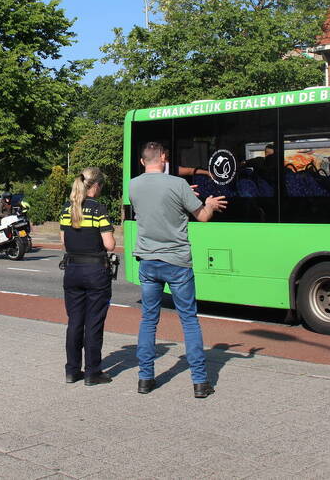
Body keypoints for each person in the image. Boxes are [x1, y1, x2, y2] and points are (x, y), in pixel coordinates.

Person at [129, 141, 227, 398]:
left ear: (142, 161)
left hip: (148, 261)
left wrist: (182, 196)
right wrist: (209, 203)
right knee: (189, 320)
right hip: (177, 262)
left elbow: (155, 207)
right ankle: (199, 382)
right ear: (163, 157)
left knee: (149, 320)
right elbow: (202, 216)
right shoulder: (178, 184)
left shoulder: (133, 185)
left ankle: (145, 378)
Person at [59, 168, 116, 386]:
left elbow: (64, 242)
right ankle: (93, 372)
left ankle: (72, 370)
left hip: (72, 270)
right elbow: (109, 244)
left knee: (74, 322)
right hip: (95, 273)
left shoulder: (67, 208)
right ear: (96, 186)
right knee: (93, 323)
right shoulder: (98, 209)